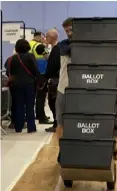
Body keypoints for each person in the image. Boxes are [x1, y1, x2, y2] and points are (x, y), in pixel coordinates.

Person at [5, 39, 40, 133]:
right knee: (30, 105)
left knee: (18, 105)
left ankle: (18, 127)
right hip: (29, 84)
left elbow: (8, 70)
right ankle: (31, 127)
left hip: (16, 85)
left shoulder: (12, 58)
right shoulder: (30, 56)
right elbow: (35, 70)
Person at [55, 18, 73, 162]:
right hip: (63, 89)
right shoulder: (63, 45)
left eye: (71, 30)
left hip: (81, 91)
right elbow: (70, 50)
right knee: (60, 123)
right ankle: (62, 152)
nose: (68, 33)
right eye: (66, 31)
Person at [29, 32, 52, 124]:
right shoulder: (40, 46)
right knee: (41, 97)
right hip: (41, 74)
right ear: (38, 37)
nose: (44, 40)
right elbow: (49, 58)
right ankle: (41, 117)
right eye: (43, 38)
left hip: (31, 74)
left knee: (35, 96)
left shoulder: (29, 44)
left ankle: (37, 115)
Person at [44, 29, 60, 132]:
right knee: (52, 103)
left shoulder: (56, 49)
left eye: (47, 36)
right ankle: (56, 124)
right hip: (55, 79)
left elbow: (53, 65)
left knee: (53, 102)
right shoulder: (55, 49)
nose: (45, 38)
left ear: (52, 37)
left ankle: (56, 124)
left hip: (55, 80)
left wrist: (46, 76)